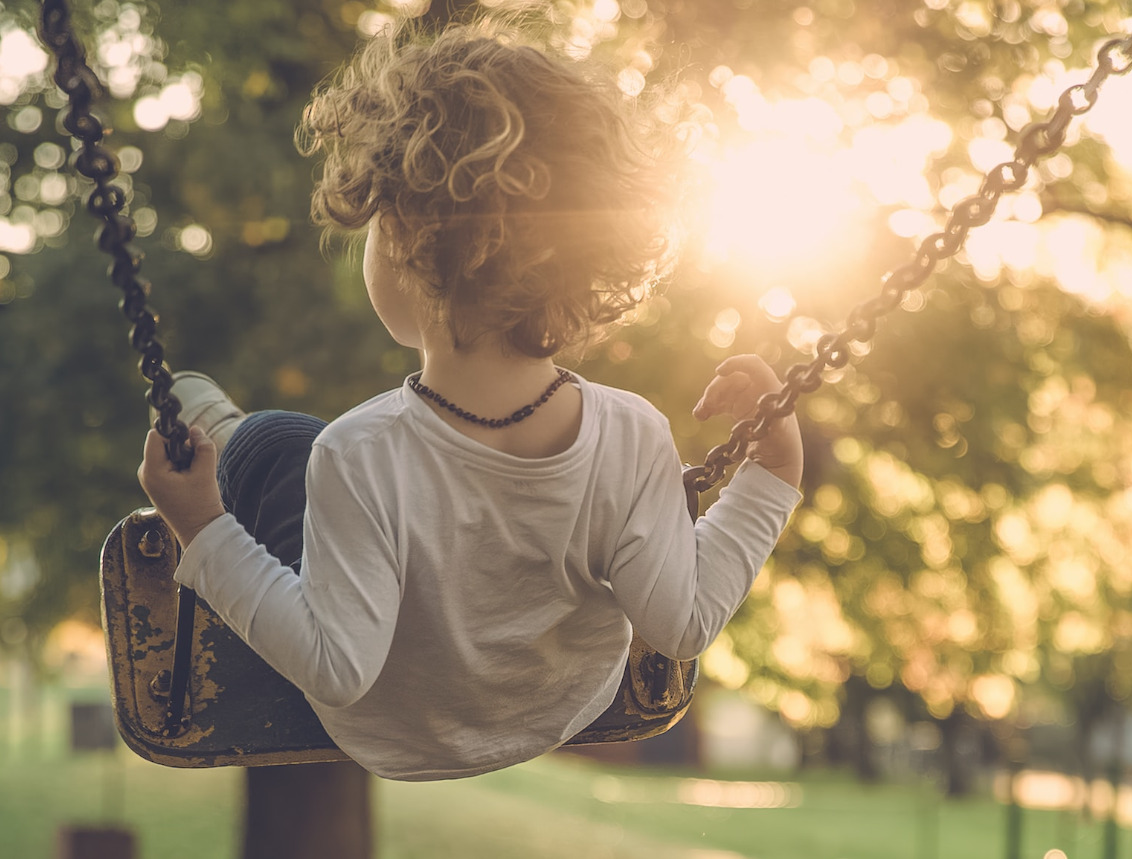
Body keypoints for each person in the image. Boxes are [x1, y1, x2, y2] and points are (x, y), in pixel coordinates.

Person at [137, 14, 803, 782]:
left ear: (417, 241)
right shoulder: (634, 435)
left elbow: (336, 666)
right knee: (306, 457)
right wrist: (770, 478)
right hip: (561, 708)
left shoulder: (355, 454)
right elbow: (682, 623)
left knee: (275, 444)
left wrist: (201, 527)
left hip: (393, 729)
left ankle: (226, 438)